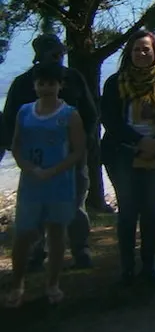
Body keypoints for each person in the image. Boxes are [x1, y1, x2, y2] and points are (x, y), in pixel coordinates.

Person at [2, 33, 96, 269]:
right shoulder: (24, 83)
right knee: (37, 205)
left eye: (60, 53)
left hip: (72, 155)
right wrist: (18, 153)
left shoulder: (74, 78)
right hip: (37, 158)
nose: (58, 57)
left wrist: (84, 145)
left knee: (75, 204)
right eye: (53, 53)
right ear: (40, 55)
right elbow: (11, 121)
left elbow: (91, 114)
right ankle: (36, 253)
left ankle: (81, 251)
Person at [6, 62, 86, 307]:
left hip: (59, 183)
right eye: (41, 83)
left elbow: (78, 150)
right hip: (31, 183)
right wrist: (28, 168)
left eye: (51, 83)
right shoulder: (24, 112)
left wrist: (53, 170)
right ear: (35, 85)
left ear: (60, 85)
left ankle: (53, 284)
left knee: (56, 234)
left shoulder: (69, 114)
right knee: (23, 235)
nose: (46, 87)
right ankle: (17, 284)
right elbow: (16, 146)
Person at [101, 31, 155, 283]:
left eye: (146, 49)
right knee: (127, 210)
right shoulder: (115, 82)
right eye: (136, 50)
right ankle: (126, 267)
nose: (142, 54)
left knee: (149, 209)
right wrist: (137, 142)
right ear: (128, 54)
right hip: (121, 153)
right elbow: (110, 120)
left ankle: (149, 265)